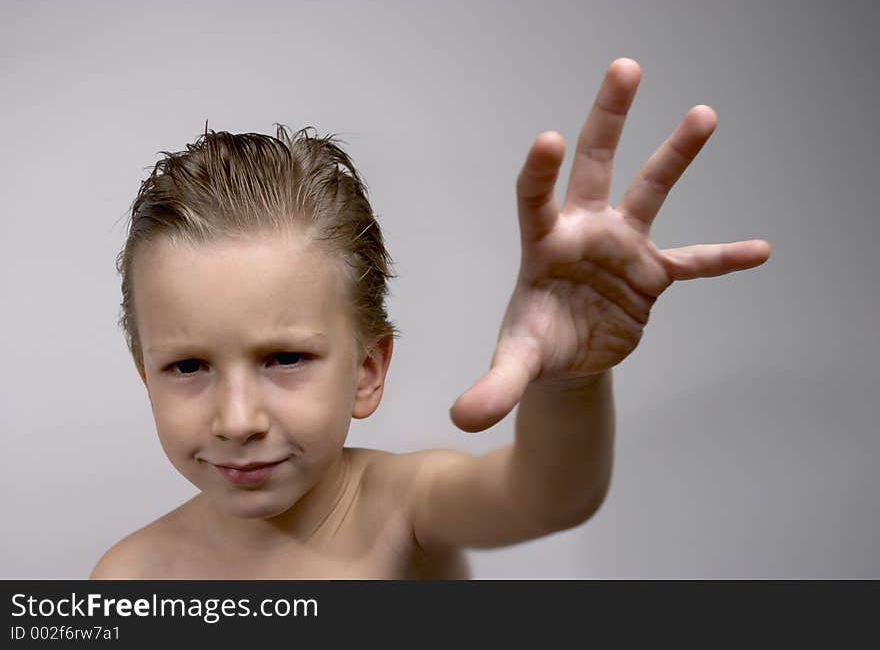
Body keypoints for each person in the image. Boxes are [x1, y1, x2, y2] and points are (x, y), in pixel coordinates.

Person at [89, 58, 771, 579]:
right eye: (187, 366)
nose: (237, 419)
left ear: (367, 369)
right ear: (145, 376)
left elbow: (547, 494)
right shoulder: (129, 576)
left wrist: (572, 380)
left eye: (284, 357)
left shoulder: (403, 507)